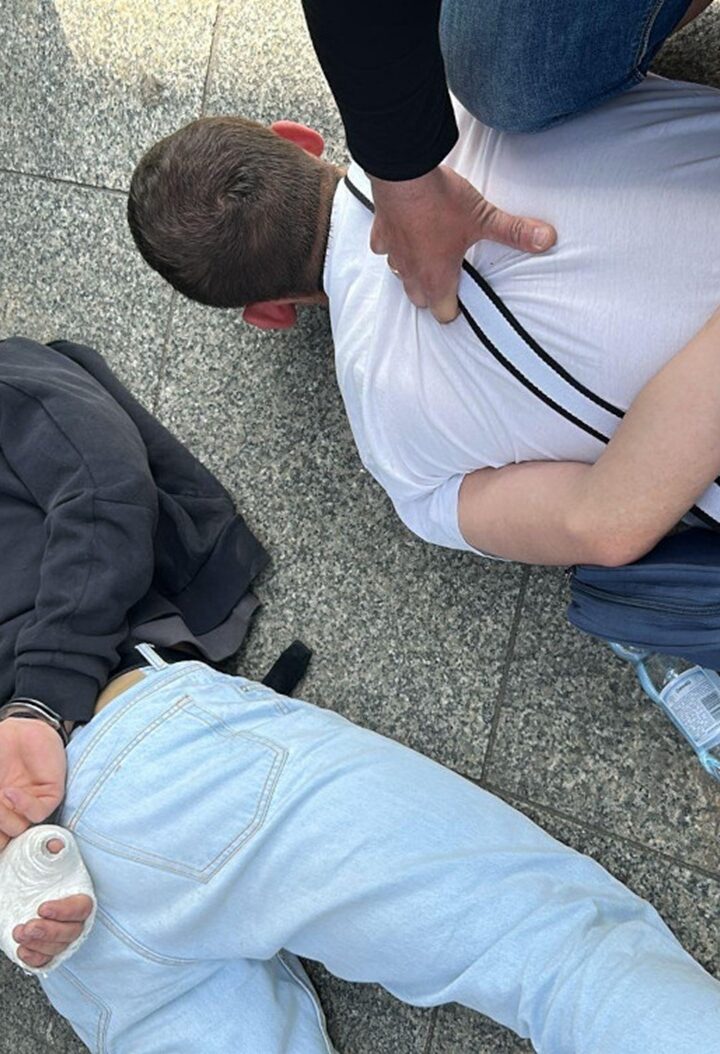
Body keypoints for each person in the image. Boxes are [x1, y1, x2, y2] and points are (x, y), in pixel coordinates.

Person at [3, 643, 720, 1053]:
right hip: (132, 748)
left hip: (48, 907)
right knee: (550, 955)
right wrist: (35, 697)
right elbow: (103, 496)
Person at [126, 73, 720, 567]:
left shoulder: (400, 461)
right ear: (300, 137)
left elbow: (599, 526)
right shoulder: (457, 74)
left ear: (270, 314)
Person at [301, 0, 713, 322]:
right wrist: (403, 176)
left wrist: (404, 179)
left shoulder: (372, 392)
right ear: (299, 138)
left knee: (506, 69)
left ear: (272, 315)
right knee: (502, 64)